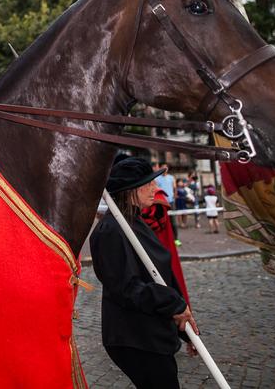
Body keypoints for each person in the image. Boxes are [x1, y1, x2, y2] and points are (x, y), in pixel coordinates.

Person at [91, 157, 198, 389]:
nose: (156, 188)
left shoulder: (135, 222)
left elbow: (161, 276)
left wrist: (185, 325)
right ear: (130, 191)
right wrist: (173, 305)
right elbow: (127, 288)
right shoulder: (111, 231)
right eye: (148, 183)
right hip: (135, 338)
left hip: (153, 332)